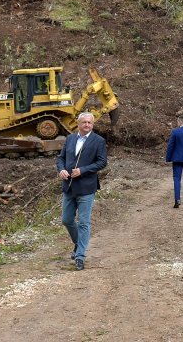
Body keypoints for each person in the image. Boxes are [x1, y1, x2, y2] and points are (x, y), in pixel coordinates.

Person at [57, 112, 107, 271]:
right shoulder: (70, 139)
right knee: (66, 219)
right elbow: (60, 158)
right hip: (69, 186)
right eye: (84, 122)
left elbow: (102, 162)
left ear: (92, 124)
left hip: (86, 187)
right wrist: (62, 170)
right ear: (78, 124)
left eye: (89, 123)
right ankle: (79, 244)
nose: (87, 125)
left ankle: (80, 256)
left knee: (84, 222)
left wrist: (83, 170)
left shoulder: (99, 141)